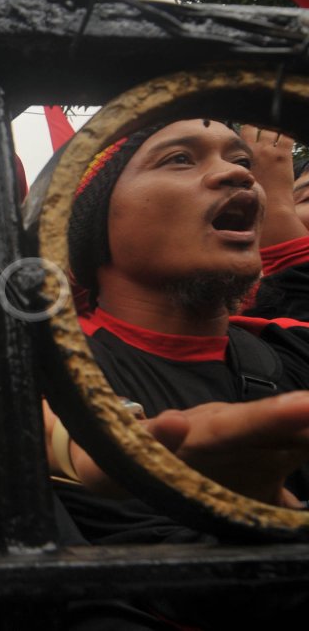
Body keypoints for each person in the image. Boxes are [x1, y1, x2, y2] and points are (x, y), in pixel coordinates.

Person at [52, 119, 309, 627]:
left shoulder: (293, 346)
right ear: (98, 220)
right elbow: (179, 589)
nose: (237, 177)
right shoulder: (51, 381)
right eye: (180, 159)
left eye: (240, 161)